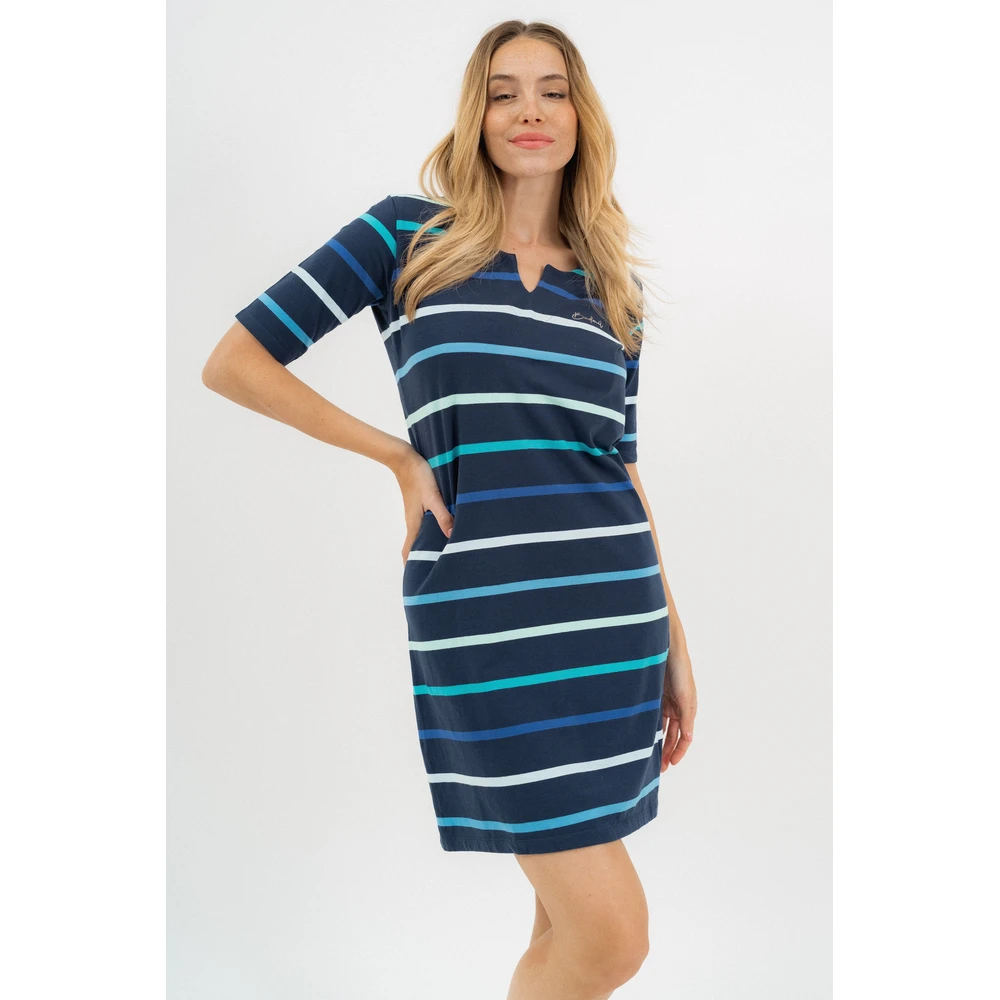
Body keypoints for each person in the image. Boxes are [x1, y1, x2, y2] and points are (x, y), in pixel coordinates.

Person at [202, 18, 697, 1000]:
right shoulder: (404, 237)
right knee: (612, 942)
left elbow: (622, 468)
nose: (528, 111)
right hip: (485, 614)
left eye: (551, 91)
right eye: (503, 92)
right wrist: (395, 456)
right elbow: (235, 361)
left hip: (612, 620)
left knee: (564, 926)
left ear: (580, 116)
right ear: (476, 114)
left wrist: (676, 641)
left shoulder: (613, 287)